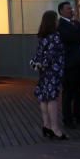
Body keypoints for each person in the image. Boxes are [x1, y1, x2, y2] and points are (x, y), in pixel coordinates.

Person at [31, 10, 67, 141]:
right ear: (53, 21)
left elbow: (39, 53)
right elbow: (52, 55)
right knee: (52, 98)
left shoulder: (42, 36)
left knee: (44, 97)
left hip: (44, 71)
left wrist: (39, 64)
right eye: (56, 19)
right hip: (54, 71)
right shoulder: (55, 36)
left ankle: (46, 125)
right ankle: (55, 128)